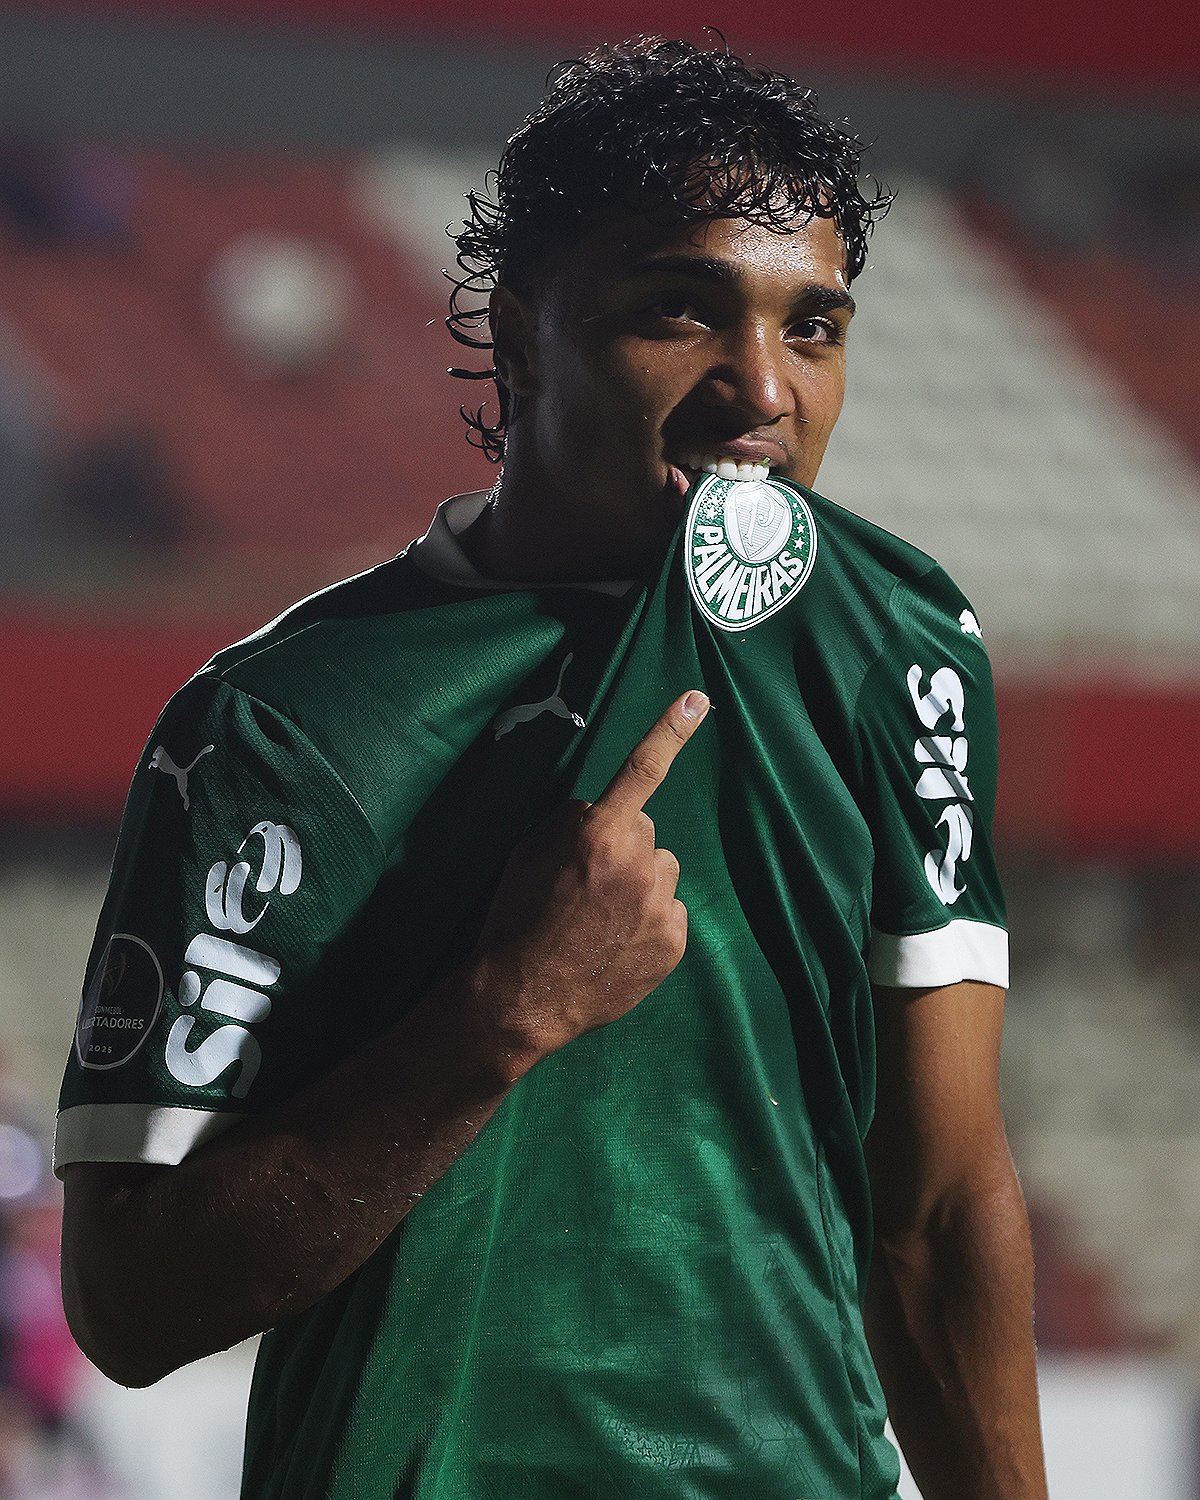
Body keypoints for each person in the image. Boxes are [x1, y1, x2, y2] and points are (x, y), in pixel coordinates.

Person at [55, 37, 1049, 1500]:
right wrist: (498, 1016)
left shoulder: (897, 646)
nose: (761, 387)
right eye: (681, 310)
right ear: (521, 342)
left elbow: (945, 1211)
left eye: (814, 327)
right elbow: (129, 1303)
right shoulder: (279, 722)